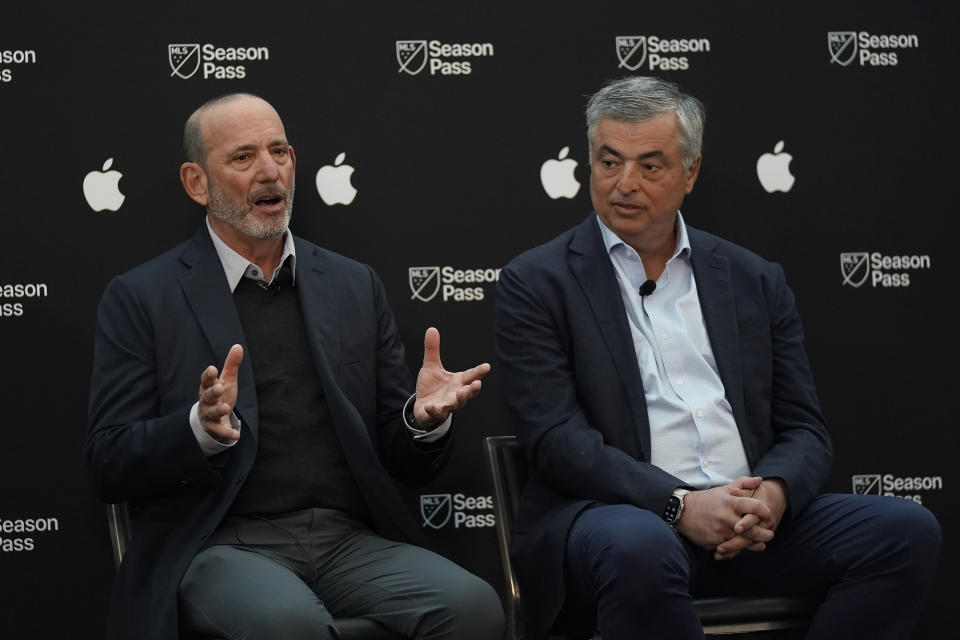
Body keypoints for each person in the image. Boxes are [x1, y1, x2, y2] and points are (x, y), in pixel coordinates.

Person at [494, 76, 940, 640]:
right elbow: (558, 443)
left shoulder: (753, 278)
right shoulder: (537, 282)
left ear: (690, 172)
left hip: (749, 516)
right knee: (639, 545)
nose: (624, 184)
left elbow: (804, 428)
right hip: (620, 519)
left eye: (650, 166)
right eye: (609, 162)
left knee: (904, 528)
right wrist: (681, 505)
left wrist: (773, 497)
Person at [86, 93, 505, 640]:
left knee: (475, 607)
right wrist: (199, 431)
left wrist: (421, 422)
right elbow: (108, 460)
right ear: (196, 182)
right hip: (218, 543)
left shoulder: (353, 284)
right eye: (243, 157)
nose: (270, 171)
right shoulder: (142, 297)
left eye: (279, 151)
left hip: (347, 539)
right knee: (291, 626)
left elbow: (406, 462)